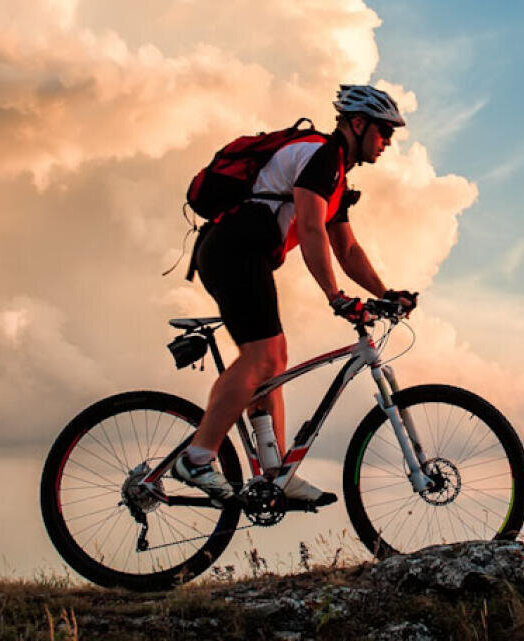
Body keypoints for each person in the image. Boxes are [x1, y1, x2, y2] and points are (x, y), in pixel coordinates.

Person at [173, 85, 420, 504]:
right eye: (384, 131)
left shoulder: (336, 176)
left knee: (274, 359)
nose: (388, 142)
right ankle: (196, 459)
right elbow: (310, 227)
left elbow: (347, 249)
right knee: (261, 358)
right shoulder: (321, 156)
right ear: (358, 124)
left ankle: (275, 473)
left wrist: (386, 293)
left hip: (243, 255)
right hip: (233, 250)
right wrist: (335, 296)